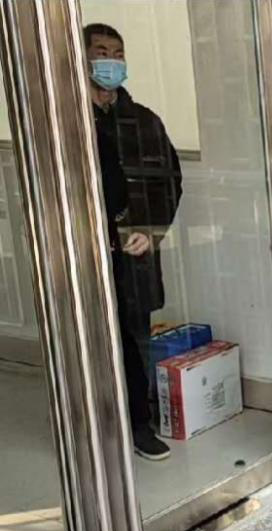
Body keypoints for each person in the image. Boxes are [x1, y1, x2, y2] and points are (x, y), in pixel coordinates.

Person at [85, 23, 183, 461]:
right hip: (85, 252)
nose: (111, 61)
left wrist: (150, 230)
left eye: (118, 53)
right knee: (90, 340)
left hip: (133, 252)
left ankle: (140, 424)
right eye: (101, 52)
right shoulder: (66, 123)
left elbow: (170, 182)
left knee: (136, 337)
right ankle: (96, 424)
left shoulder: (143, 121)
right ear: (82, 59)